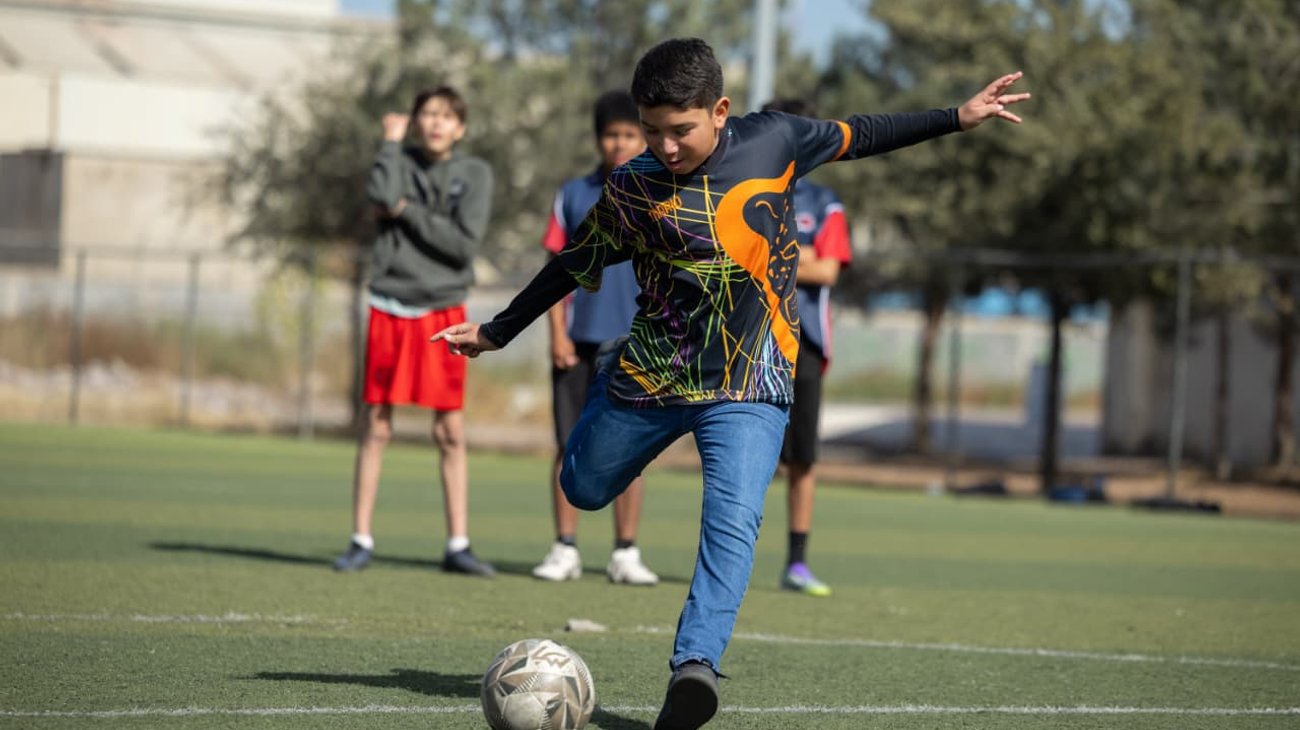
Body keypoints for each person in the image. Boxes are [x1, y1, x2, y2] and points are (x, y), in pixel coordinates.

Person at [434, 38, 1029, 730]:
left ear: (720, 111)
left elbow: (861, 134)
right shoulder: (631, 187)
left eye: (679, 130)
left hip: (754, 378)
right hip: (652, 373)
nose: (665, 145)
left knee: (733, 522)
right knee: (583, 487)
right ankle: (607, 391)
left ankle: (695, 669)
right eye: (652, 130)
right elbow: (572, 264)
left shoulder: (775, 140)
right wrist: (497, 330)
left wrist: (955, 116)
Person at [334, 85, 496, 578]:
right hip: (389, 305)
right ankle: (360, 539)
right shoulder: (397, 159)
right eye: (426, 113)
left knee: (448, 430)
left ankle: (458, 545)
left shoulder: (475, 174)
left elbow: (461, 245)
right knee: (377, 424)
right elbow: (380, 194)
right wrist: (389, 141)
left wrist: (406, 211)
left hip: (444, 311)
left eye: (446, 115)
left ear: (460, 127)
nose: (435, 123)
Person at [532, 90, 660, 586]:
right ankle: (564, 547)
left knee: (632, 449)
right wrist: (557, 334)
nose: (620, 144)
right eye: (612, 135)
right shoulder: (573, 194)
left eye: (630, 134)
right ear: (598, 138)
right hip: (578, 339)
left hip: (638, 342)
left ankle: (625, 551)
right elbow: (552, 269)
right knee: (568, 445)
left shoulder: (662, 190)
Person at [760, 97, 852, 598]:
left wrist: (776, 255)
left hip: (805, 345)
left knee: (803, 460)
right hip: (749, 340)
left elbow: (828, 269)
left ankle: (796, 562)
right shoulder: (748, 193)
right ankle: (731, 556)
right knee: (746, 456)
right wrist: (802, 256)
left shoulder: (824, 203)